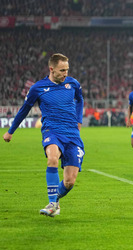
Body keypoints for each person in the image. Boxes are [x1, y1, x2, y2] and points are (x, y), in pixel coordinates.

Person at [3, 53, 84, 217]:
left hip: (72, 134)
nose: (65, 73)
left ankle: (56, 199)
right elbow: (24, 110)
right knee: (52, 158)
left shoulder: (73, 84)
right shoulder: (38, 88)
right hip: (52, 131)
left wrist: (79, 120)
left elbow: (80, 100)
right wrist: (11, 131)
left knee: (69, 182)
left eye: (67, 70)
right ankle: (52, 204)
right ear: (51, 69)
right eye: (62, 70)